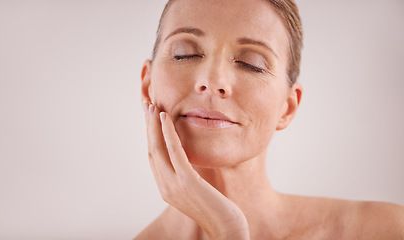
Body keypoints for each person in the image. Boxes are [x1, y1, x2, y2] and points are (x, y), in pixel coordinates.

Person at [136, 0, 404, 239]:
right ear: (148, 86)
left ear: (287, 107)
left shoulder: (387, 230)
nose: (213, 80)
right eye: (185, 53)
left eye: (252, 63)